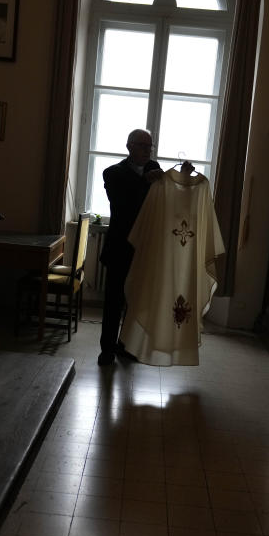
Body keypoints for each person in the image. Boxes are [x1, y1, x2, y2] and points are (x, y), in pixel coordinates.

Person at [97, 129, 163, 366]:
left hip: (145, 249)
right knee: (113, 301)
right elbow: (121, 205)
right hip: (119, 247)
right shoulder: (112, 173)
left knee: (136, 302)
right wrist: (146, 182)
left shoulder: (154, 168)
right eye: (143, 146)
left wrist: (183, 176)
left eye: (150, 146)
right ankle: (107, 349)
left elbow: (167, 197)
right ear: (129, 147)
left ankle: (126, 345)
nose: (148, 150)